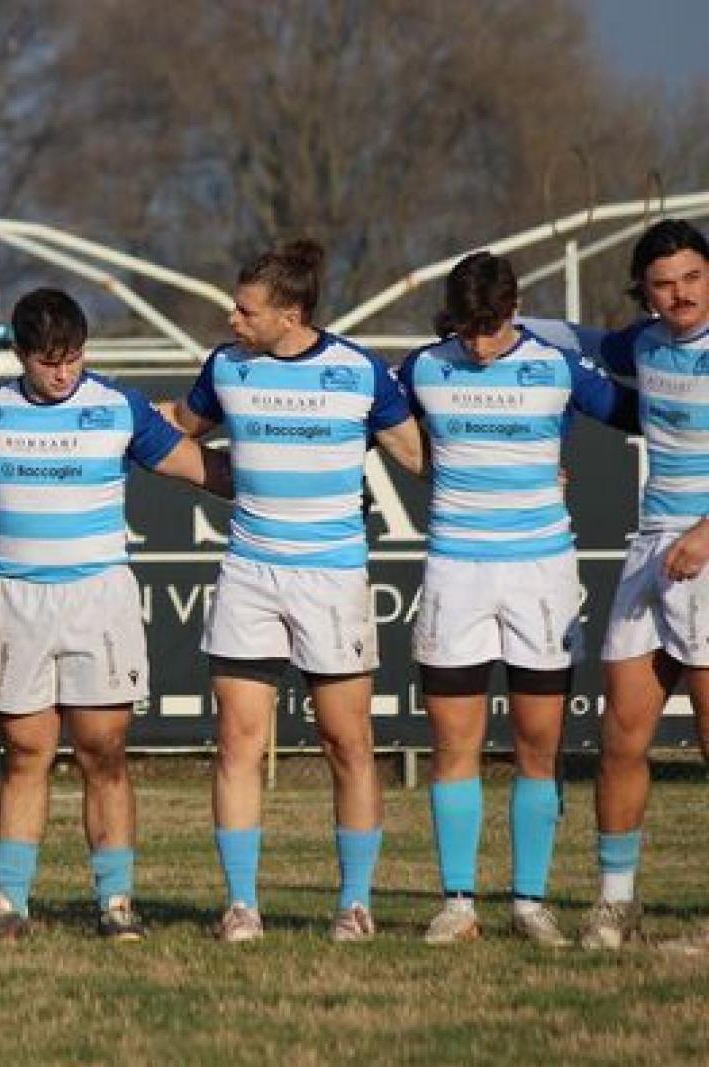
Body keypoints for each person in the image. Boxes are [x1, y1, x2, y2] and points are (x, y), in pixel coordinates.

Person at [0, 287, 231, 942]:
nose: (63, 372)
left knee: (103, 750)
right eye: (48, 361)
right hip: (17, 597)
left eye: (73, 357)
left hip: (97, 598)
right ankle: (8, 902)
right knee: (26, 750)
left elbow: (195, 465)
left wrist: (286, 482)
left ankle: (116, 903)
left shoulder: (118, 406)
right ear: (19, 354)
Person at [169, 241, 426, 944]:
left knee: (349, 742)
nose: (231, 317)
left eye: (245, 308)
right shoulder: (226, 366)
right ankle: (242, 904)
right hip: (250, 573)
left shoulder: (359, 370)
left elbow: (419, 456)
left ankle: (355, 903)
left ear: (291, 313)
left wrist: (523, 467)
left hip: (332, 577)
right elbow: (170, 430)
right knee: (236, 742)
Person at [398, 252, 637, 947]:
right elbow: (368, 413)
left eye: (490, 327)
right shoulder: (423, 366)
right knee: (454, 744)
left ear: (514, 308)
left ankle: (531, 902)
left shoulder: (558, 366)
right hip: (455, 576)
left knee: (539, 745)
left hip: (541, 579)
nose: (476, 344)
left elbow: (644, 413)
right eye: (466, 329)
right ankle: (457, 902)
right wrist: (420, 459)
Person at [533, 220, 709, 953]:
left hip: (706, 549)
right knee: (620, 739)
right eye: (665, 283)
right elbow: (566, 334)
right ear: (645, 290)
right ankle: (614, 909)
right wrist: (494, 315)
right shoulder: (640, 343)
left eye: (694, 278)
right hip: (652, 554)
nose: (682, 295)